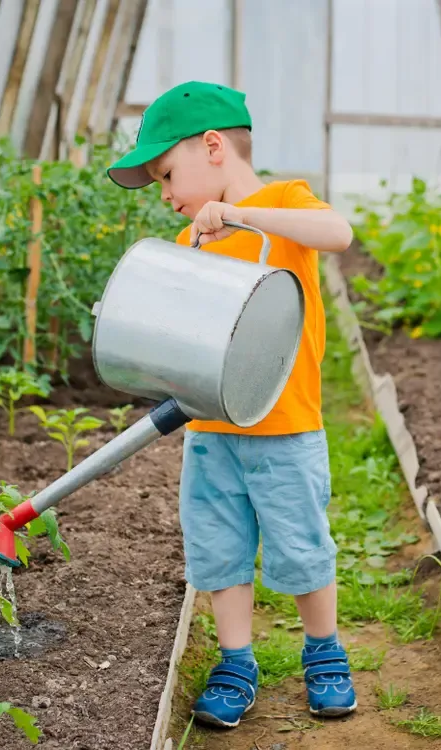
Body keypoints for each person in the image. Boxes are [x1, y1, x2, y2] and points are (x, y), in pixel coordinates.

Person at [107, 81, 357, 729]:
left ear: (213, 146)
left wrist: (243, 217)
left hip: (285, 426)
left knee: (300, 546)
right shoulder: (196, 239)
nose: (165, 195)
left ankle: (323, 651)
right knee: (217, 549)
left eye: (166, 175)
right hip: (211, 427)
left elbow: (339, 232)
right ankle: (237, 660)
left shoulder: (281, 203)